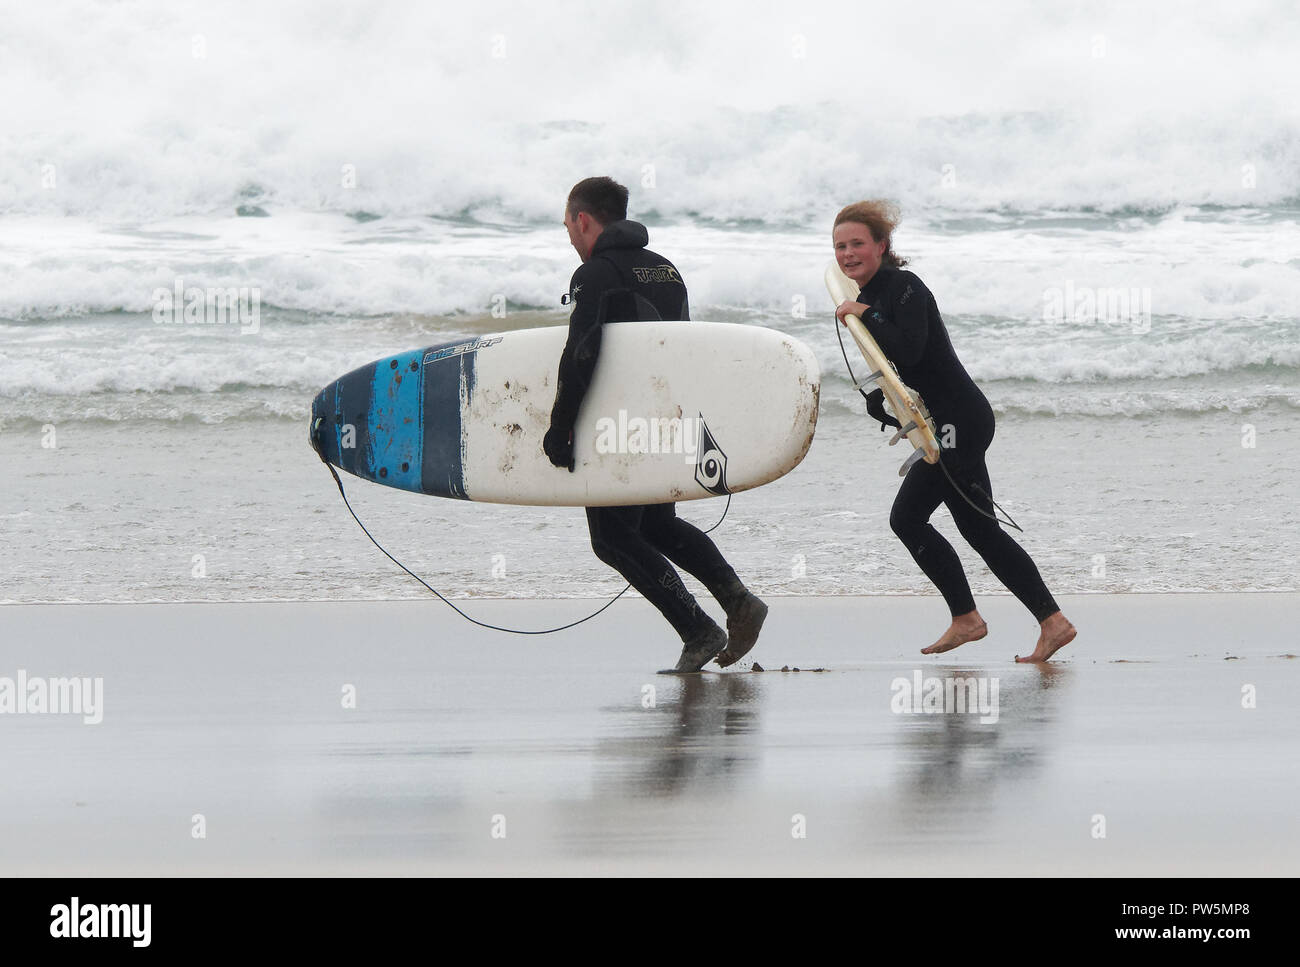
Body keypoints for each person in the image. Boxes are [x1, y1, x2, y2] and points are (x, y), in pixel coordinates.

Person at [832, 200, 1076, 662]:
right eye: (840, 246)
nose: (848, 254)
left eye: (858, 244)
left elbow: (913, 349)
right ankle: (1050, 622)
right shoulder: (877, 294)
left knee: (908, 519)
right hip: (946, 420)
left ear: (882, 245)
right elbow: (895, 369)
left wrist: (866, 315)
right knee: (979, 530)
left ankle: (971, 618)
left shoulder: (902, 288)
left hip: (959, 420)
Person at [543, 176, 768, 671]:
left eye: (568, 226)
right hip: (667, 418)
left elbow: (582, 353)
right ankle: (737, 600)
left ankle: (699, 630)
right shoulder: (666, 270)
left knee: (612, 538)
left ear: (583, 219)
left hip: (617, 426)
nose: (570, 237)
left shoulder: (595, 273)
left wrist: (561, 427)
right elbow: (684, 350)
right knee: (657, 525)